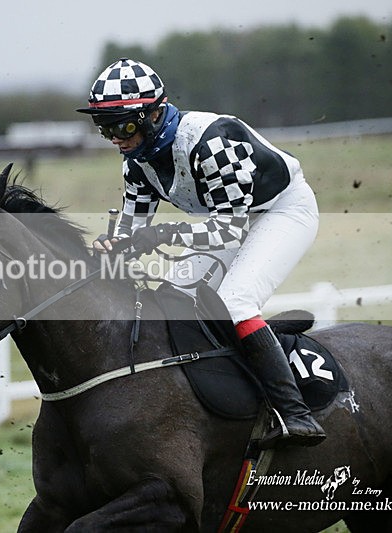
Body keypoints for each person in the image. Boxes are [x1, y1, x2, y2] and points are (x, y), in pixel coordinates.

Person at [78, 58, 325, 449]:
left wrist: (161, 235)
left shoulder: (212, 141)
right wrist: (112, 249)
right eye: (104, 128)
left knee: (235, 301)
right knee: (173, 298)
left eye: (122, 126)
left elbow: (229, 230)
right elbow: (131, 233)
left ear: (154, 115)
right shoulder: (137, 162)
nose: (115, 138)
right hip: (225, 218)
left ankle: (295, 413)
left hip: (281, 211)